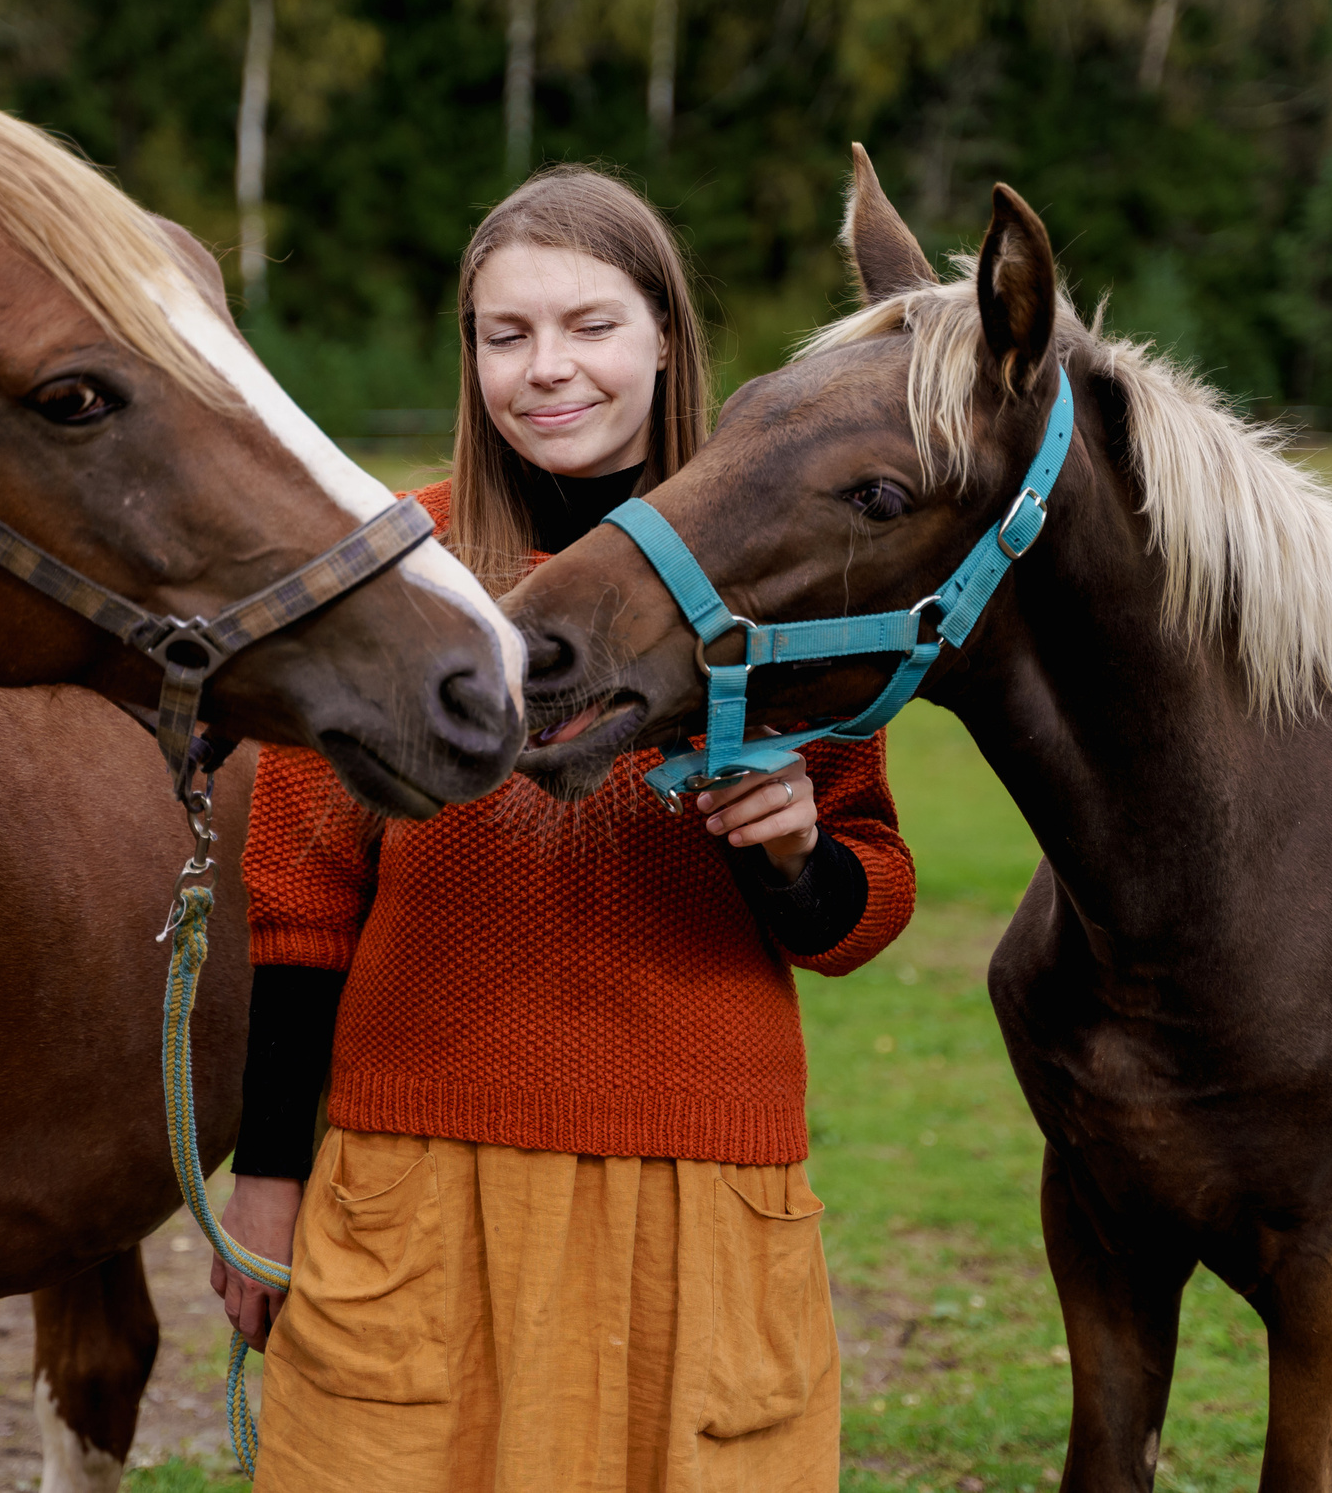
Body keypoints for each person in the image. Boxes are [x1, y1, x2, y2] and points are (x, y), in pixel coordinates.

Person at [210, 165, 916, 1493]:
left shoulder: (784, 568)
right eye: (507, 334)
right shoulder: (388, 569)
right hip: (417, 1185)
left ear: (665, 340)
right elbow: (299, 901)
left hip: (696, 1186)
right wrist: (269, 1181)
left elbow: (856, 907)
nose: (549, 371)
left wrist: (792, 853)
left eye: (591, 326)